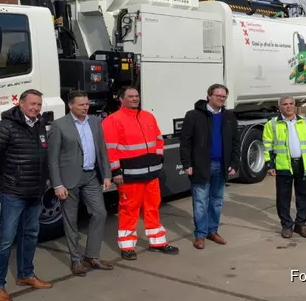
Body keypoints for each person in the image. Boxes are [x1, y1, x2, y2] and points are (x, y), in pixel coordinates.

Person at [0, 89, 52, 301]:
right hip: (14, 193)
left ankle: (26, 274)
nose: (36, 108)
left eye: (39, 104)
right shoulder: (6, 127)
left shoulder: (40, 126)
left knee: (30, 235)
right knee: (6, 239)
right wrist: (2, 179)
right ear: (20, 103)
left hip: (35, 192)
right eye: (32, 104)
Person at [102, 86, 179, 260]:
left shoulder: (147, 116)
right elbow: (110, 149)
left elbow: (159, 140)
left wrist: (158, 159)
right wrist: (116, 172)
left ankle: (158, 242)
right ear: (121, 99)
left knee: (153, 208)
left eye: (136, 96)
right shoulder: (112, 120)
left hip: (151, 175)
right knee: (129, 210)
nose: (135, 99)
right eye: (130, 96)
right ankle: (127, 247)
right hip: (129, 176)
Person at [48, 90, 114, 276]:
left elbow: (102, 149)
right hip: (69, 180)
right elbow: (52, 159)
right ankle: (76, 260)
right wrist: (57, 185)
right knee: (71, 221)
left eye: (86, 104)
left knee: (100, 213)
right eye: (81, 105)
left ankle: (91, 256)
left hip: (91, 176)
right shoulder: (59, 125)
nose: (85, 107)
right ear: (70, 106)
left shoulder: (94, 121)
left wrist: (107, 175)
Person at [180, 84, 241, 249]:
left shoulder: (229, 117)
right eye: (217, 95)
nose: (221, 98)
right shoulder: (193, 115)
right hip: (201, 166)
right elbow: (185, 142)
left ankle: (212, 231)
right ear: (208, 96)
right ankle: (200, 235)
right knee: (200, 201)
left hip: (221, 166)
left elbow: (236, 142)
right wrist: (187, 164)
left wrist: (234, 163)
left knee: (216, 202)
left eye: (224, 96)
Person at [263, 96, 306, 239]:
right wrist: (269, 164)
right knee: (283, 197)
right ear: (279, 107)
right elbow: (267, 145)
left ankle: (301, 224)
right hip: (283, 165)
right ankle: (286, 225)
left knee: (304, 196)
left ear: (294, 106)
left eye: (291, 104)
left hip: (303, 163)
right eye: (285, 104)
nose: (288, 106)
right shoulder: (272, 124)